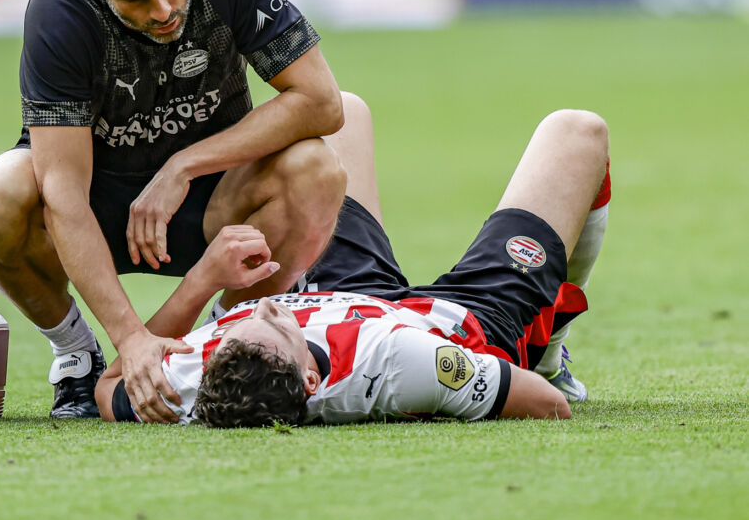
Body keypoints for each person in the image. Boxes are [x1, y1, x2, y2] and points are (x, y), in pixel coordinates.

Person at [0, 0, 346, 421]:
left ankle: (231, 341)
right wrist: (132, 339)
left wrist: (183, 165)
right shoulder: (61, 12)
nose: (164, 9)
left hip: (211, 197)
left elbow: (322, 102)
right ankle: (76, 359)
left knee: (316, 167)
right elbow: (64, 194)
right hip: (93, 213)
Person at [95, 93, 611, 426]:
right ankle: (550, 351)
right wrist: (495, 380)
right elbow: (548, 406)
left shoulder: (194, 385)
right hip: (458, 323)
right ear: (312, 382)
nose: (262, 308)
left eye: (231, 328)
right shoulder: (399, 364)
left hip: (344, 290)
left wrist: (204, 278)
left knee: (344, 111)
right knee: (578, 132)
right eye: (276, 321)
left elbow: (111, 385)